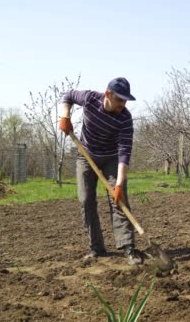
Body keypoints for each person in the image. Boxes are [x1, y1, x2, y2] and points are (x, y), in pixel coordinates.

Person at [58, 77, 142, 265]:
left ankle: (128, 247)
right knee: (86, 199)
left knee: (119, 200)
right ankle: (96, 247)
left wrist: (119, 184)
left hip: (112, 158)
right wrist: (65, 116)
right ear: (107, 94)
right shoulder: (89, 98)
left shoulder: (125, 119)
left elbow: (124, 153)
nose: (123, 104)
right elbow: (68, 95)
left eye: (125, 100)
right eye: (119, 99)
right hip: (86, 155)